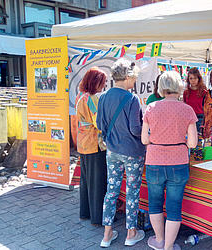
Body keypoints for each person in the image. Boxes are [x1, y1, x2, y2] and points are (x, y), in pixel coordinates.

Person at [141, 71, 198, 250]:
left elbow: (144, 139)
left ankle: (159, 240)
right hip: (178, 162)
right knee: (174, 206)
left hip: (154, 161)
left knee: (155, 203)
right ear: (178, 87)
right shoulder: (187, 109)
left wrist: (158, 140)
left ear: (161, 87)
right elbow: (193, 143)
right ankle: (168, 246)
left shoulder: (151, 108)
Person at [96, 58, 146, 247]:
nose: (135, 81)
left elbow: (100, 125)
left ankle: (107, 235)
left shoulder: (103, 97)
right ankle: (131, 233)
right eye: (134, 78)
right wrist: (147, 132)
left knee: (111, 192)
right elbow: (135, 129)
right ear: (127, 76)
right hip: (133, 152)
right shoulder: (131, 98)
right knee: (132, 192)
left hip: (112, 151)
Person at [75, 67, 108, 226]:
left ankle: (85, 213)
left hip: (82, 143)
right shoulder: (92, 99)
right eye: (103, 82)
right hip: (95, 144)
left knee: (86, 181)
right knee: (97, 182)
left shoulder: (80, 96)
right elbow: (98, 122)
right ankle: (98, 217)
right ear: (96, 82)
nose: (104, 86)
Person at [183, 67, 207, 133]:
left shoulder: (204, 92)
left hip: (200, 118)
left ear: (199, 79)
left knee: (199, 140)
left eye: (195, 78)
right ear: (188, 79)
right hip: (188, 118)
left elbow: (206, 107)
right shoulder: (186, 92)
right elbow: (184, 106)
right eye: (191, 78)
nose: (193, 80)